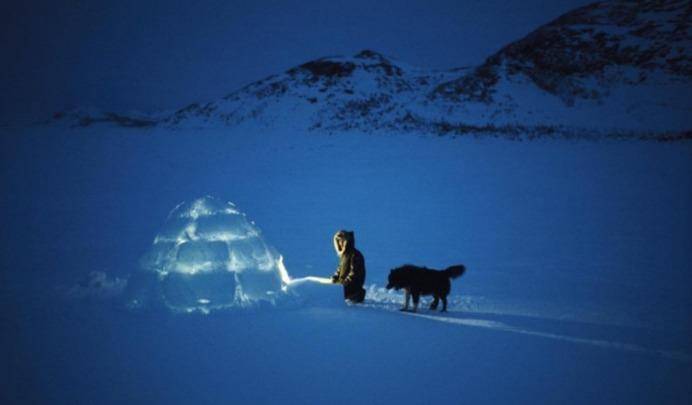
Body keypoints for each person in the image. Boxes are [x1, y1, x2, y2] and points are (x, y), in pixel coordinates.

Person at [331, 230, 366, 303]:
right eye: (338, 241)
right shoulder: (344, 256)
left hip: (354, 292)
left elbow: (354, 273)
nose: (339, 243)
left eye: (341, 241)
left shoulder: (355, 255)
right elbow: (340, 268)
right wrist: (335, 277)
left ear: (345, 241)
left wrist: (343, 284)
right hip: (345, 289)